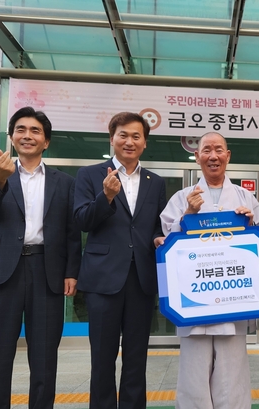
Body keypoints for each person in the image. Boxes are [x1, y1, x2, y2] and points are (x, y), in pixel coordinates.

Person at [0, 106, 82, 409]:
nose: (27, 135)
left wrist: (72, 271)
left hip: (47, 270)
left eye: (35, 131)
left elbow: (72, 232)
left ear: (46, 141)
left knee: (44, 354)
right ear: (11, 137)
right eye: (20, 129)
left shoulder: (65, 182)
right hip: (2, 271)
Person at [160, 131, 259, 409]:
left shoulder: (245, 197)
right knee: (193, 373)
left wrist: (251, 225)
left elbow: (258, 245)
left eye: (219, 150)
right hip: (195, 300)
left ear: (228, 156)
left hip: (233, 299)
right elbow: (166, 242)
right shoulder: (182, 198)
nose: (213, 156)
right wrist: (188, 216)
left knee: (232, 372)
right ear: (196, 156)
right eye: (206, 150)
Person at [74, 112, 167, 409]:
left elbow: (157, 226)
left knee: (137, 356)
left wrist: (158, 238)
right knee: (102, 357)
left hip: (141, 278)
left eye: (136, 136)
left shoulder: (156, 182)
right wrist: (106, 197)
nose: (129, 141)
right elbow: (82, 221)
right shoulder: (89, 175)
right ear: (111, 138)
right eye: (123, 135)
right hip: (103, 278)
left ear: (145, 143)